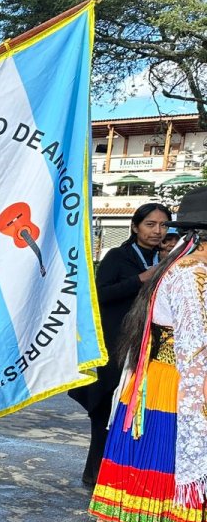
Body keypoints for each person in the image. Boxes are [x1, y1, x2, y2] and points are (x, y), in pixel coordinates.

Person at [87, 187, 207, 522]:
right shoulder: (193, 276)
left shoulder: (175, 268)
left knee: (148, 475)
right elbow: (197, 350)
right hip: (175, 391)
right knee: (170, 476)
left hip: (153, 385)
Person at [71, 202, 171, 487]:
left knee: (133, 414)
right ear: (135, 227)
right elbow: (97, 295)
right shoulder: (119, 256)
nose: (157, 231)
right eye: (150, 224)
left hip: (148, 348)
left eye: (163, 225)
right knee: (105, 411)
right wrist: (141, 279)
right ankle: (94, 474)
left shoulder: (168, 259)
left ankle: (120, 473)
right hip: (115, 347)